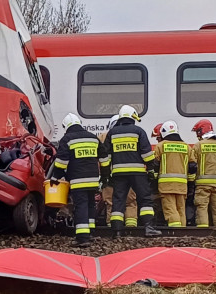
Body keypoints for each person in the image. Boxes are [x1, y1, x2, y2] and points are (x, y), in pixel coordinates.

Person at [102, 104, 159, 237]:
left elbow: (106, 156)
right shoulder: (139, 131)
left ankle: (116, 231)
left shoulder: (112, 133)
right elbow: (147, 154)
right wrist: (151, 169)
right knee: (145, 199)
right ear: (132, 117)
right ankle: (149, 228)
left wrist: (106, 174)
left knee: (118, 200)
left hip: (118, 173)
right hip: (137, 173)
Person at [51, 113, 104, 245]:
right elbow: (105, 158)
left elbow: (61, 162)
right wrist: (105, 176)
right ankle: (90, 232)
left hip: (78, 179)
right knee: (91, 204)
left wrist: (55, 177)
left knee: (80, 206)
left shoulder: (67, 139)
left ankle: (82, 238)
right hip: (93, 178)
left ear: (66, 126)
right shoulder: (93, 138)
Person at [189, 119, 216, 228]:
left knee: (202, 207)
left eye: (198, 132)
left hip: (202, 185)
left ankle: (203, 231)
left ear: (201, 131)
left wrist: (191, 182)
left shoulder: (198, 146)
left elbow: (192, 165)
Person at [99, 116, 137, 227]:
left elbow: (100, 157)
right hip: (131, 174)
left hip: (110, 175)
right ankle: (131, 226)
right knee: (130, 202)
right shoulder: (133, 134)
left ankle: (113, 225)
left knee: (111, 202)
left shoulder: (103, 136)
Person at [153, 121, 189, 227]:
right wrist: (190, 183)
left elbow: (155, 166)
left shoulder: (160, 146)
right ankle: (183, 231)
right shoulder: (187, 147)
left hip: (166, 186)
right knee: (181, 210)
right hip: (182, 186)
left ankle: (176, 232)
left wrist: (154, 181)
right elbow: (192, 167)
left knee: (170, 209)